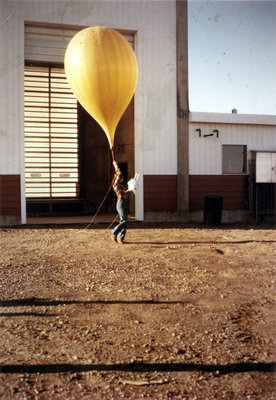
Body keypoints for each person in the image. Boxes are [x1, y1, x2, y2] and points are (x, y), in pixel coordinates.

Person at [111, 161, 130, 244]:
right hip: (121, 203)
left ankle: (120, 238)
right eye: (120, 177)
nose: (121, 178)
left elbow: (127, 194)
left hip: (125, 202)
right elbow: (118, 172)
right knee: (124, 221)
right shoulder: (116, 185)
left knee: (124, 220)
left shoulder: (123, 186)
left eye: (122, 177)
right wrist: (115, 165)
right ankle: (113, 232)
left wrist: (130, 190)